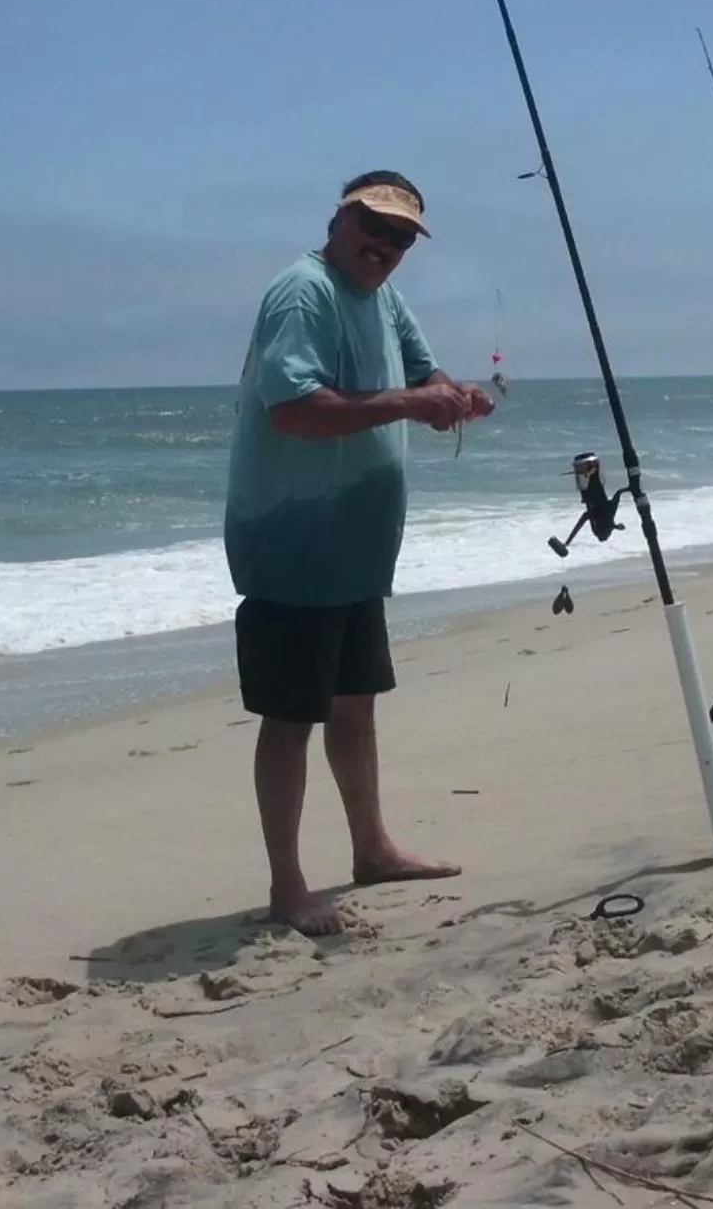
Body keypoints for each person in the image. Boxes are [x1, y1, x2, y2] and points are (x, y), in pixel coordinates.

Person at [224, 170, 496, 936]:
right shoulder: (302, 292)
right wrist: (416, 404)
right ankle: (287, 887)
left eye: (402, 237)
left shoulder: (384, 298)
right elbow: (295, 410)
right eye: (373, 227)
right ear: (340, 219)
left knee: (353, 702)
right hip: (291, 540)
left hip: (355, 545)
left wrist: (450, 396)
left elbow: (421, 375)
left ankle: (372, 848)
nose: (384, 246)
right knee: (290, 715)